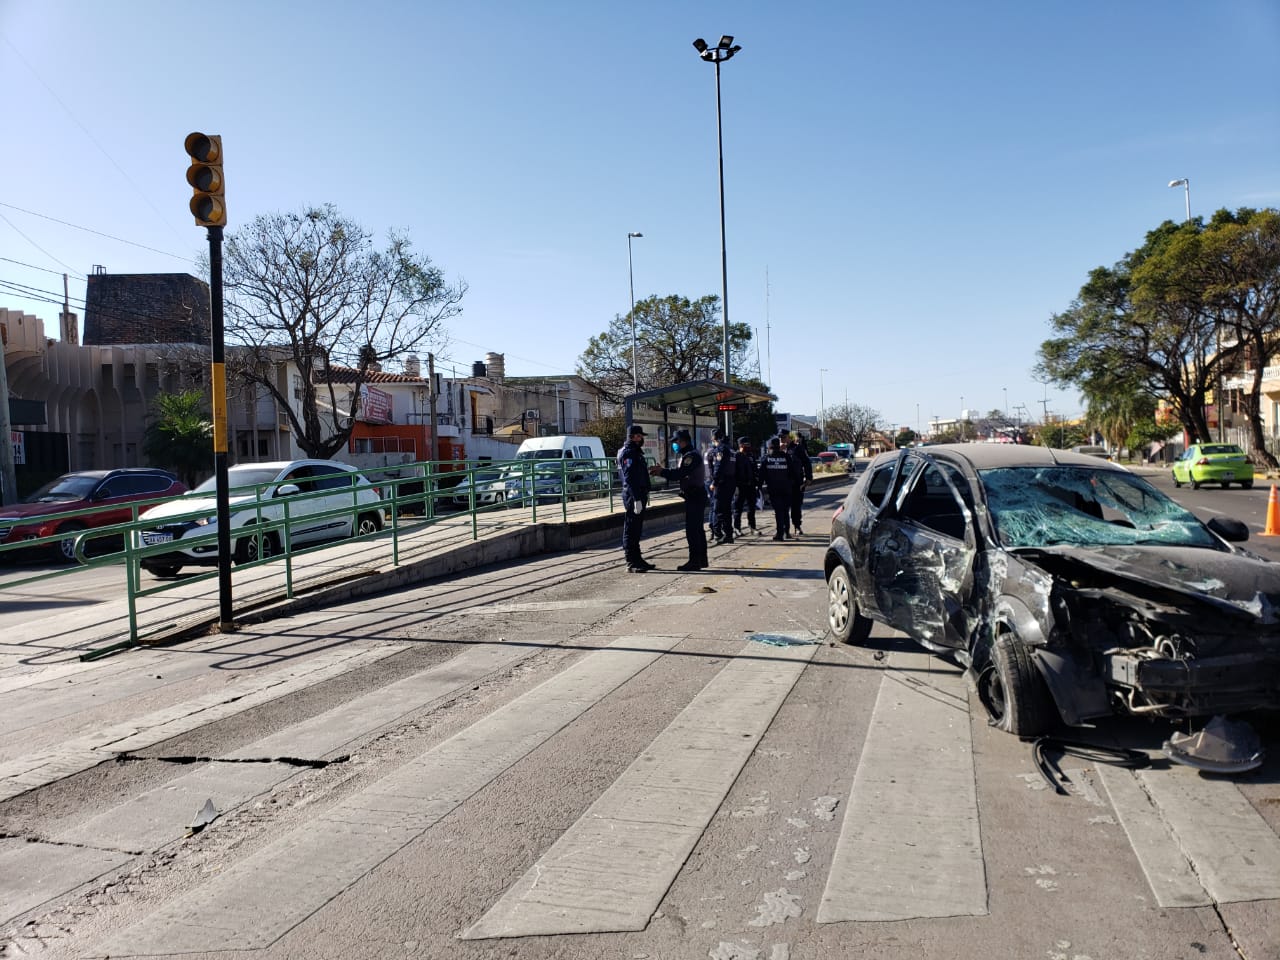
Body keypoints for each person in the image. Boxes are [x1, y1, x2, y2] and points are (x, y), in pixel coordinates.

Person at [650, 429, 708, 571]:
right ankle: (701, 560)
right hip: (695, 496)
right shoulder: (688, 455)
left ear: (682, 441)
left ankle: (695, 561)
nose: (674, 445)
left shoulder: (691, 456)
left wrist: (662, 472)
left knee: (693, 530)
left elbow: (680, 474)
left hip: (695, 496)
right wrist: (664, 470)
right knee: (697, 529)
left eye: (675, 442)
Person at [616, 424, 653, 572]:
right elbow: (629, 478)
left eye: (641, 436)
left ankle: (638, 559)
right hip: (633, 495)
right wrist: (637, 498)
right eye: (638, 436)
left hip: (639, 494)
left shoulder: (636, 452)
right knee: (631, 528)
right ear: (632, 437)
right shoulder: (629, 453)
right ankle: (631, 561)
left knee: (637, 529)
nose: (641, 438)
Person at [762, 435, 801, 540]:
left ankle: (780, 533)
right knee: (785, 510)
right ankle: (786, 532)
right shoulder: (786, 457)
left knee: (778, 511)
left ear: (770, 447)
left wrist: (759, 487)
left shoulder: (766, 458)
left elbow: (762, 474)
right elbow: (793, 472)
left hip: (773, 489)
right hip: (786, 488)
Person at [707, 427, 736, 545]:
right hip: (731, 482)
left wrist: (714, 482)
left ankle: (722, 534)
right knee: (727, 509)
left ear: (714, 437)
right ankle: (728, 534)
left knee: (719, 509)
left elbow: (719, 466)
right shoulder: (731, 449)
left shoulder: (721, 449)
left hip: (722, 483)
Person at [733, 436, 761, 535]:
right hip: (740, 486)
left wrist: (757, 482)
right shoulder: (736, 456)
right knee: (738, 508)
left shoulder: (751, 455)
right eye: (746, 445)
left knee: (751, 508)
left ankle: (752, 527)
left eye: (749, 444)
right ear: (740, 445)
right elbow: (733, 472)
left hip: (751, 485)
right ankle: (737, 528)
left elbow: (755, 470)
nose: (748, 446)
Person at [786, 435, 813, 535]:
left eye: (784, 438)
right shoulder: (778, 449)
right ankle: (784, 529)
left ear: (789, 438)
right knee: (782, 508)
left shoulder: (797, 449)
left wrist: (809, 477)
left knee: (796, 506)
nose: (782, 440)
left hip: (797, 482)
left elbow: (806, 463)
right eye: (780, 438)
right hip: (783, 483)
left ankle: (797, 526)